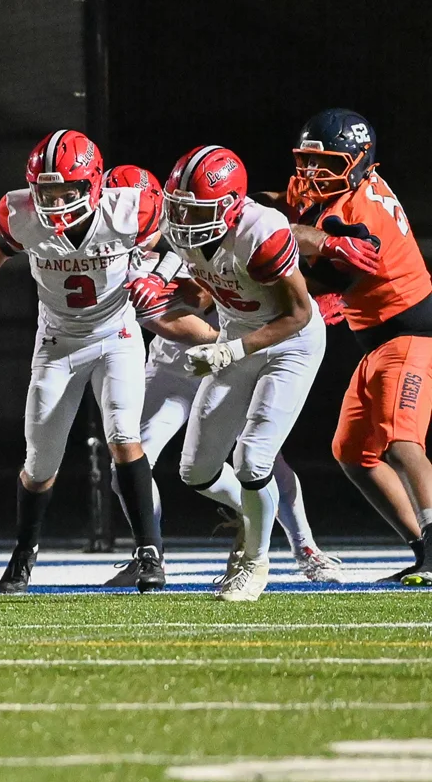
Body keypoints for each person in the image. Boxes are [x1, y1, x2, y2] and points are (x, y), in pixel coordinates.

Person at [112, 166, 338, 585]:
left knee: (256, 458)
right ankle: (151, 552)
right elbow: (189, 299)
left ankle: (292, 548)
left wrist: (327, 240)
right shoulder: (124, 245)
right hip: (186, 357)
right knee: (170, 465)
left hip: (250, 342)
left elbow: (278, 238)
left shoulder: (230, 228)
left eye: (130, 207)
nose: (121, 217)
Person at [0, 130, 164, 594]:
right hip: (57, 343)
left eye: (65, 190)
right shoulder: (21, 213)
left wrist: (153, 272)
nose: (54, 201)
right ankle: (25, 551)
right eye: (46, 190)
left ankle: (149, 552)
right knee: (39, 463)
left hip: (117, 334)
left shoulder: (129, 207)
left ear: (93, 184)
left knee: (123, 435)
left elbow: (169, 242)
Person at [163, 145, 325, 601]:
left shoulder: (262, 233)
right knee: (195, 471)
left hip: (290, 344)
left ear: (231, 205)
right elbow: (211, 287)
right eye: (181, 209)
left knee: (252, 458)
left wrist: (228, 350)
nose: (184, 221)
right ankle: (255, 512)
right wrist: (163, 294)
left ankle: (254, 563)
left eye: (197, 210)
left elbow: (297, 314)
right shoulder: (188, 232)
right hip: (239, 339)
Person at [280, 110, 432, 585]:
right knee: (353, 454)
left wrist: (266, 256)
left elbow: (315, 276)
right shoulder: (343, 193)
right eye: (308, 161)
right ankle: (423, 547)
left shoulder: (359, 217)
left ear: (360, 162)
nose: (312, 174)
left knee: (402, 441)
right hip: (378, 340)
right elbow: (283, 215)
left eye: (326, 164)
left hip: (409, 335)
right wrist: (239, 209)